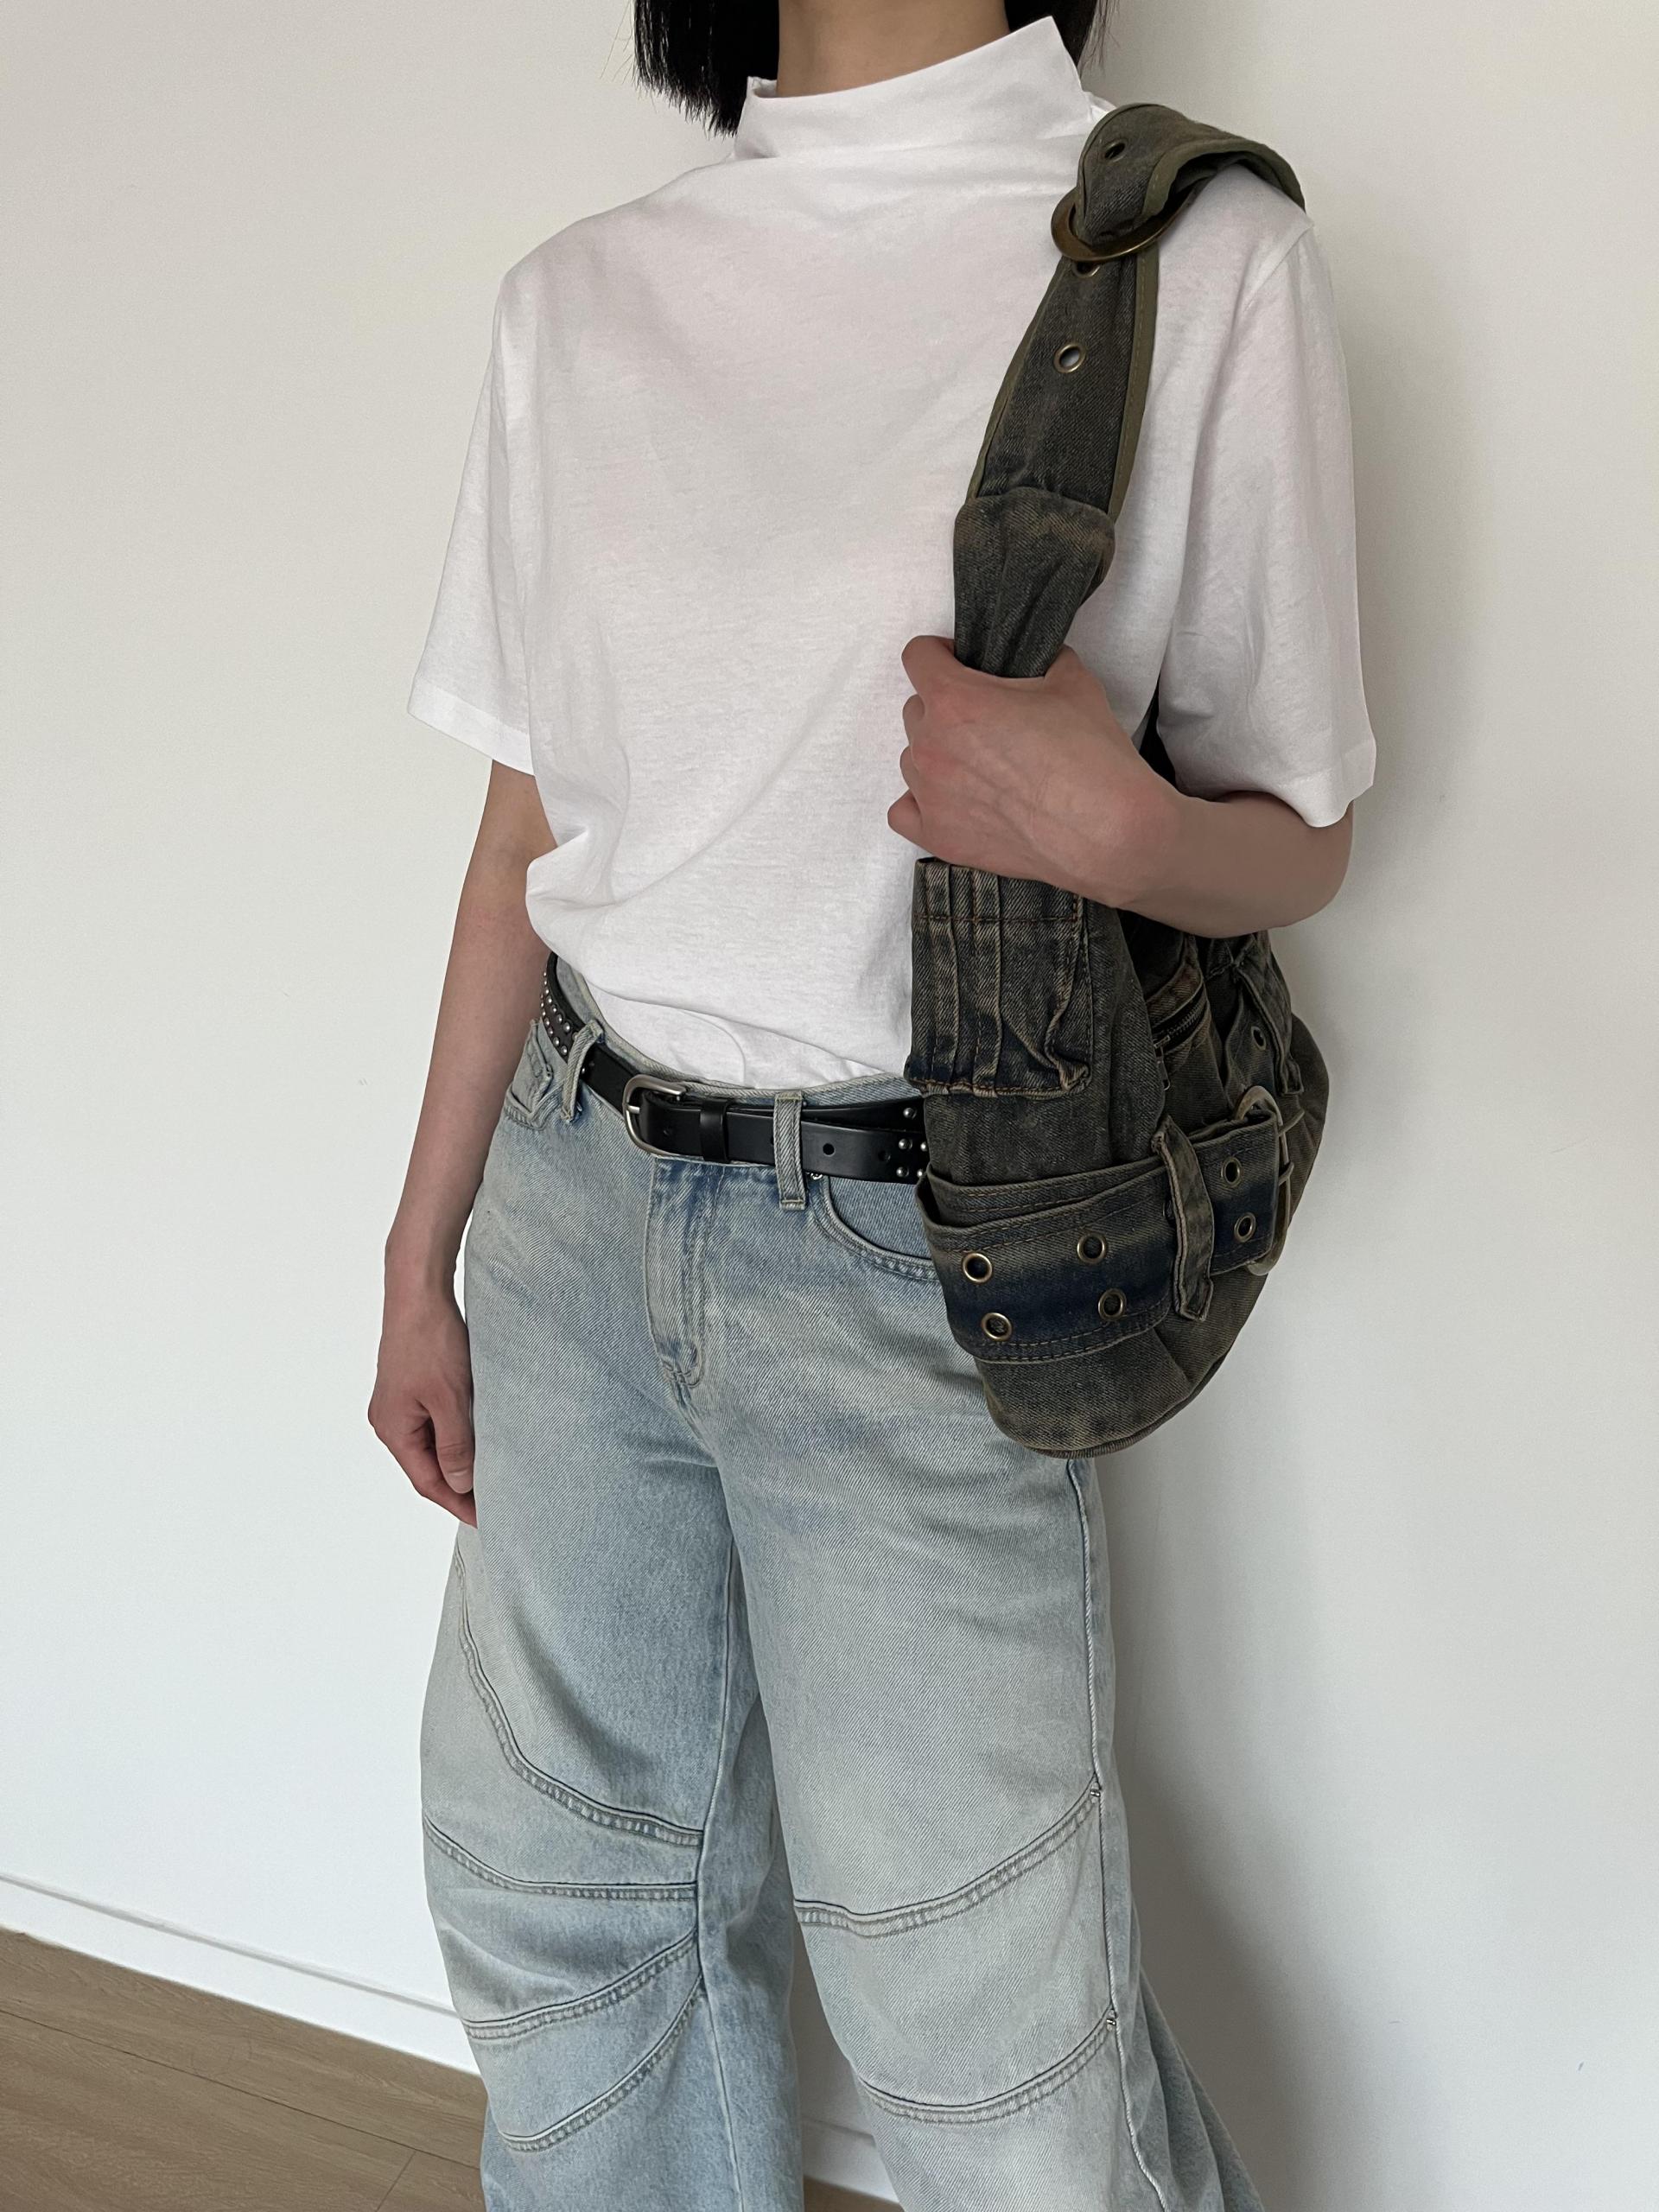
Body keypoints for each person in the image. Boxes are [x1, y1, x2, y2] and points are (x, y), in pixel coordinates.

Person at [370, 3, 1374, 2205]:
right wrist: (419, 1251)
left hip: (919, 1250)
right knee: (559, 1908)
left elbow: (1301, 831)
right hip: (571, 1200)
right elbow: (528, 828)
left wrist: (1120, 826)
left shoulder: (1179, 256)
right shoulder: (585, 298)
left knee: (983, 2049)